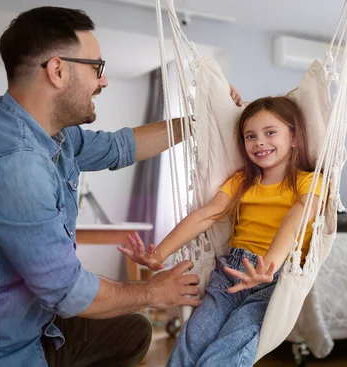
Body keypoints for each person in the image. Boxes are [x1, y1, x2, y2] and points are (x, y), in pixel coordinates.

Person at [0, 6, 242, 367]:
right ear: (58, 70)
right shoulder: (13, 165)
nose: (103, 81)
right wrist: (152, 291)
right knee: (128, 311)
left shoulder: (49, 136)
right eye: (97, 68)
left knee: (130, 330)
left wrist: (197, 122)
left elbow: (120, 146)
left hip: (28, 328)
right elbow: (68, 291)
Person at [119, 96, 323, 366]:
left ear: (294, 138)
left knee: (226, 350)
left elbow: (297, 218)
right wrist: (159, 254)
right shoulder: (242, 181)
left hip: (274, 279)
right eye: (250, 136)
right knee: (191, 341)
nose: (259, 141)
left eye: (270, 132)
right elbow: (206, 214)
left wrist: (268, 266)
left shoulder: (310, 181)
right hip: (230, 274)